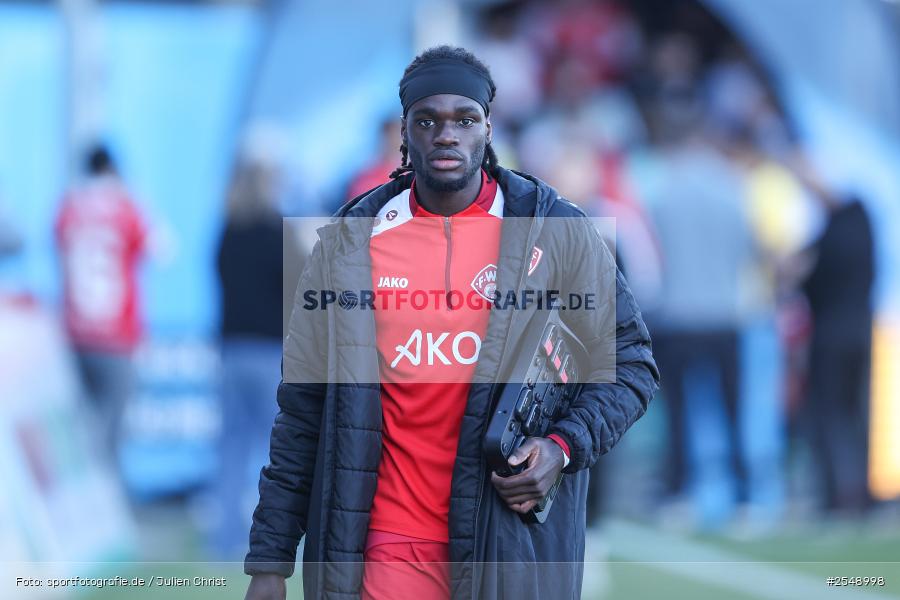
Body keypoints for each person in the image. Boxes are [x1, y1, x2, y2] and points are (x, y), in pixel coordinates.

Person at [244, 46, 658, 600]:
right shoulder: (349, 242)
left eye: (464, 120)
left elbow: (632, 365)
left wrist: (562, 446)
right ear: (404, 131)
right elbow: (302, 411)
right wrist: (269, 563)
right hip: (381, 547)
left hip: (505, 549)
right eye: (427, 120)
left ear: (488, 128)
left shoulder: (554, 230)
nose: (446, 135)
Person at [211, 153, 287, 558]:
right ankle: (268, 537)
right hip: (268, 351)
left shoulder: (227, 231)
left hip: (232, 350)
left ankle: (225, 538)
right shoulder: (277, 232)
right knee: (272, 449)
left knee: (231, 446)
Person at [55, 144, 147, 463]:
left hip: (76, 334)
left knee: (81, 429)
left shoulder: (69, 207)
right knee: (111, 435)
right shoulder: (126, 208)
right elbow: (161, 248)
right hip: (117, 335)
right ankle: (103, 491)